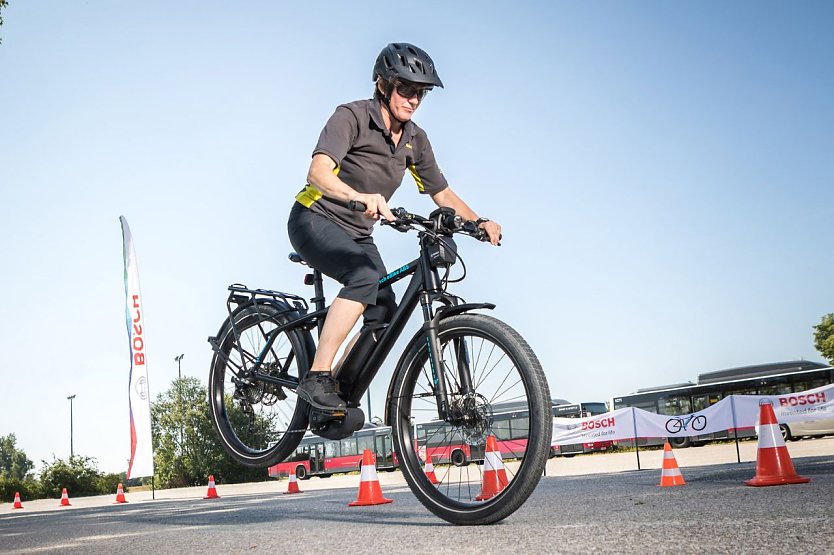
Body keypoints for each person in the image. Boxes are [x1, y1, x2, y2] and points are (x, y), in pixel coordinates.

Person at [288, 42, 502, 412]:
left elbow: (442, 193)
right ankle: (317, 376)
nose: (414, 98)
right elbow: (318, 173)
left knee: (385, 309)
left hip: (357, 234)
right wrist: (359, 197)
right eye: (406, 88)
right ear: (383, 85)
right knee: (364, 278)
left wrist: (477, 221)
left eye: (421, 92)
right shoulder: (351, 117)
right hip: (314, 218)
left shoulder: (415, 140)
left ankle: (333, 393)